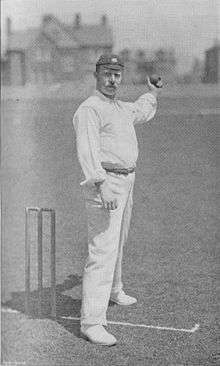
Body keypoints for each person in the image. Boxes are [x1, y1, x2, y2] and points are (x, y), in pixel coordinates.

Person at [73, 54, 162, 346]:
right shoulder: (90, 109)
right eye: (107, 74)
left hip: (127, 181)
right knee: (102, 250)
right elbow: (87, 151)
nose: (113, 80)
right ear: (97, 75)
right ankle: (92, 322)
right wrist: (101, 185)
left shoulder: (120, 107)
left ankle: (115, 289)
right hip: (105, 184)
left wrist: (152, 92)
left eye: (117, 75)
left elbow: (141, 111)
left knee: (118, 241)